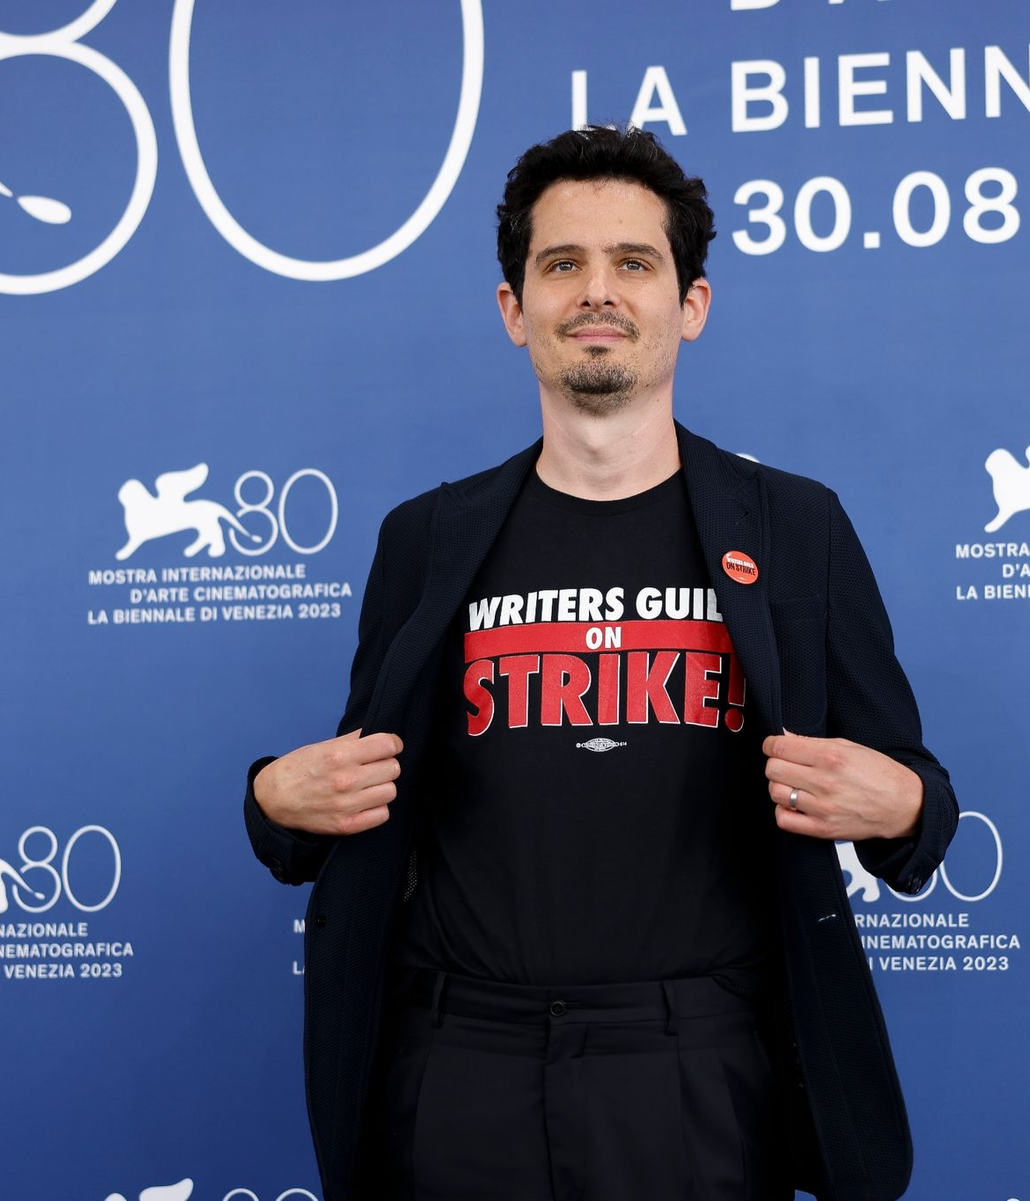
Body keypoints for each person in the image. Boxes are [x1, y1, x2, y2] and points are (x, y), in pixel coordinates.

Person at [244, 125, 958, 1201]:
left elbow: (918, 808)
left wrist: (901, 802)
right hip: (457, 1069)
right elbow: (345, 799)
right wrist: (273, 800)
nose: (598, 291)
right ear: (513, 308)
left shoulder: (795, 527)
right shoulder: (425, 539)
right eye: (561, 263)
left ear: (691, 303)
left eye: (635, 262)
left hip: (699, 1068)